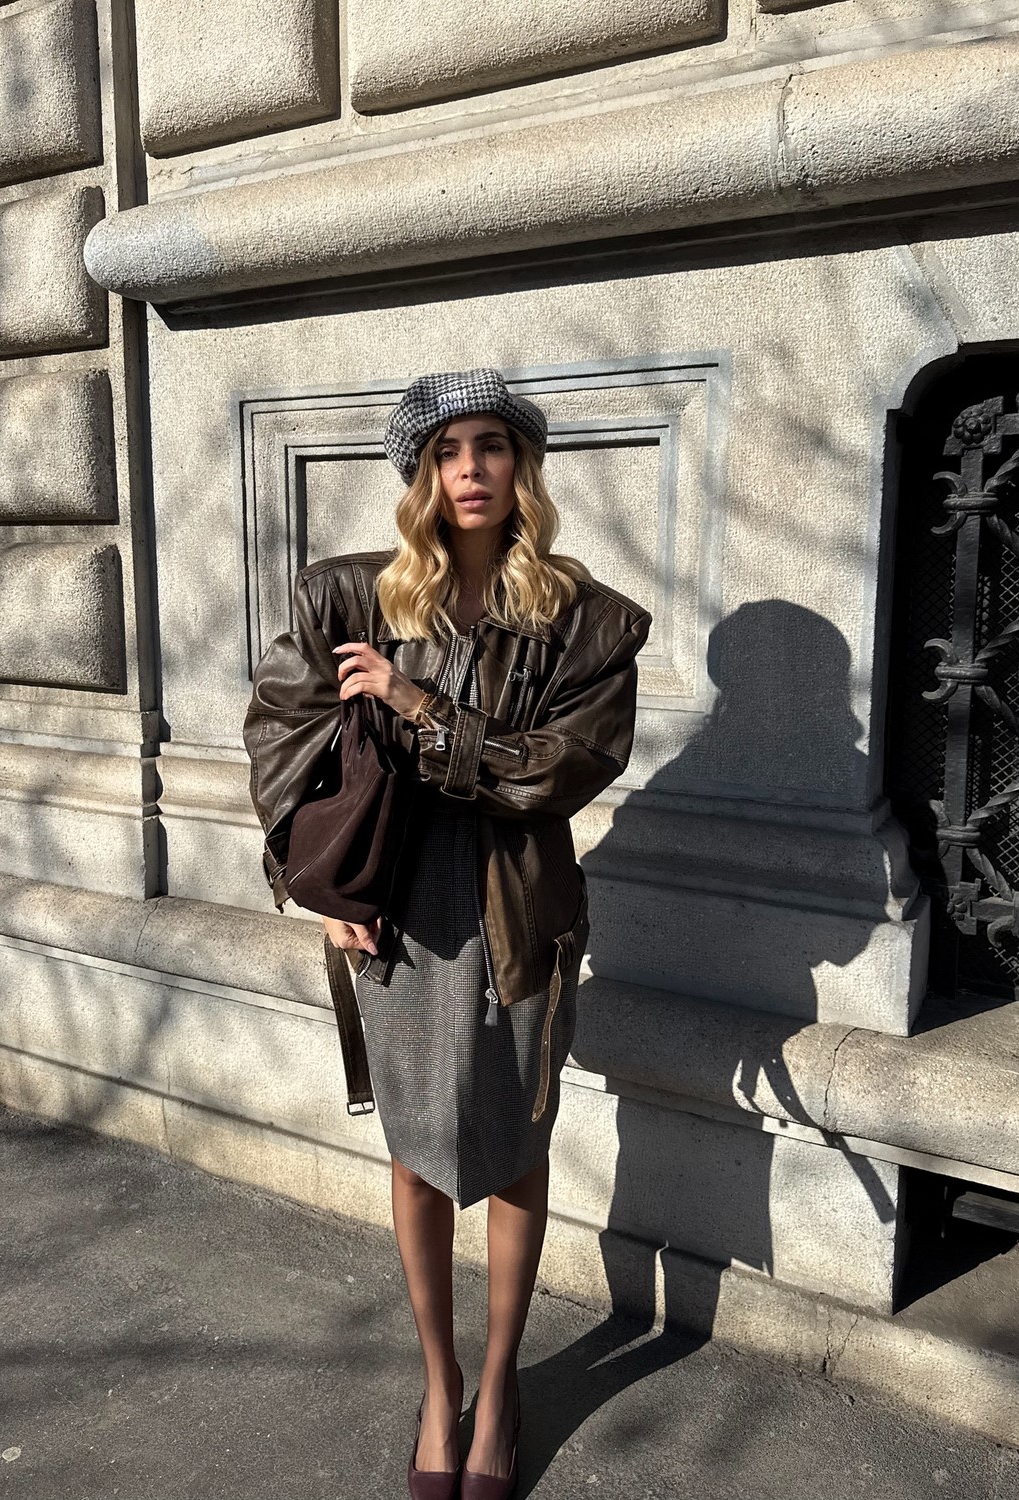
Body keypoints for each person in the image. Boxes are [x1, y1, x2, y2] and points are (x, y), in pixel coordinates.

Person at [244, 368, 649, 1499]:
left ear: (523, 465)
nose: (471, 470)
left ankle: (503, 1388)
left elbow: (557, 774)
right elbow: (279, 742)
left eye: (492, 446)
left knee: (516, 1146)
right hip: (398, 912)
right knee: (417, 1151)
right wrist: (321, 890)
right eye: (447, 452)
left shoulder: (582, 619)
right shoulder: (349, 598)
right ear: (421, 474)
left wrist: (419, 706)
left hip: (519, 908)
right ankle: (440, 1383)